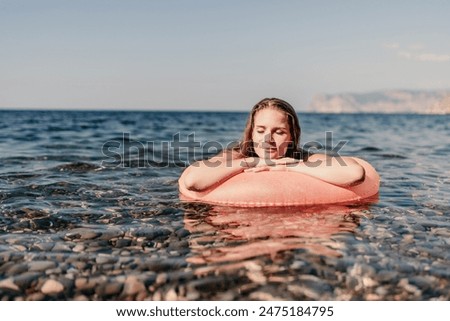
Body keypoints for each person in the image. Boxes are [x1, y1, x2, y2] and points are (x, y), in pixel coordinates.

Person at [181, 98, 365, 192]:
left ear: (292, 137)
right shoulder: (236, 155)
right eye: (261, 130)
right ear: (251, 133)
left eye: (279, 132)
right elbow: (192, 180)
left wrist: (288, 166)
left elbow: (354, 173)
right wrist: (253, 162)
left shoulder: (305, 158)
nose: (267, 138)